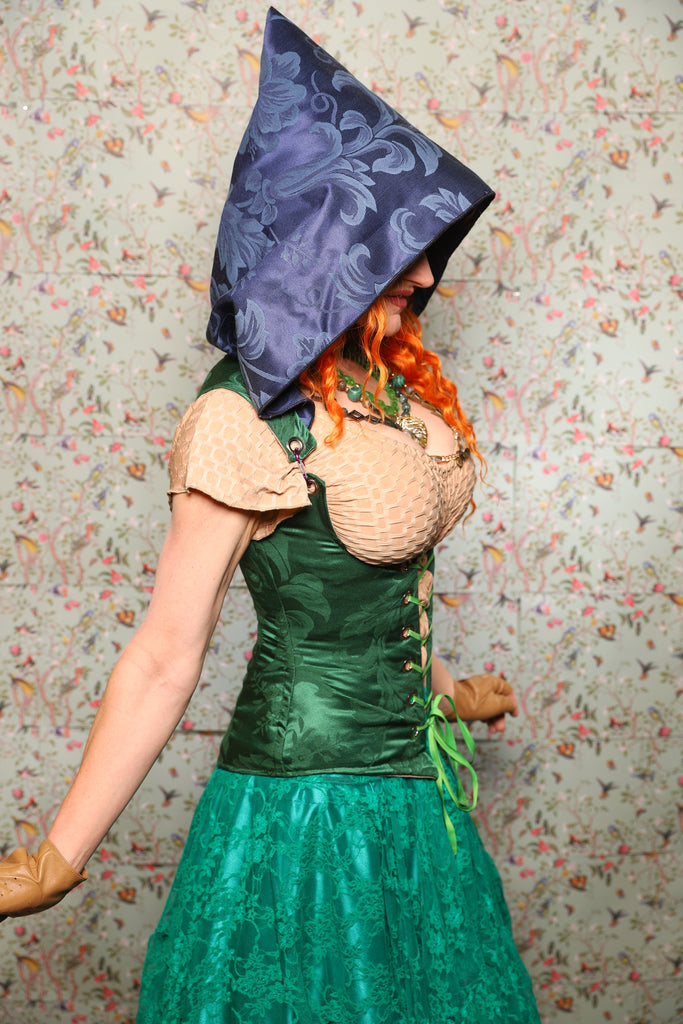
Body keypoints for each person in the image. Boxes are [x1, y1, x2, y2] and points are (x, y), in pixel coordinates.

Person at [0, 9, 540, 1022]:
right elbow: (166, 655)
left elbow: (369, 604)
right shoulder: (241, 418)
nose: (428, 276)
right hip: (303, 814)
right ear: (321, 247)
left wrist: (448, 690)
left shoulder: (390, 390)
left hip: (418, 805)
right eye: (400, 249)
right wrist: (56, 856)